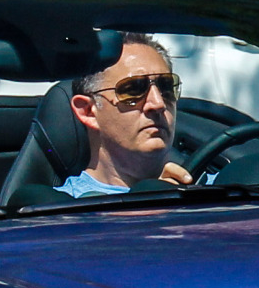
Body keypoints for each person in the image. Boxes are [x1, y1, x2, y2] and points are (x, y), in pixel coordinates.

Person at [57, 34, 194, 198]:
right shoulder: (58, 212)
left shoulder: (219, 188)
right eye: (133, 90)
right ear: (88, 111)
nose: (158, 104)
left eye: (166, 87)